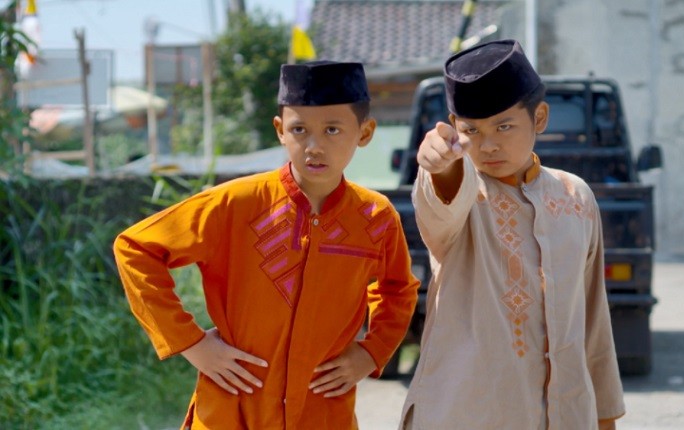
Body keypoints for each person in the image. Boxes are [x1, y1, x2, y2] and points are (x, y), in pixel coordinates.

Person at [113, 60, 419, 429]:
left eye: (333, 129)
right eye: (299, 129)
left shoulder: (375, 216)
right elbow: (135, 249)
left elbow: (397, 290)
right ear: (280, 131)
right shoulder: (237, 204)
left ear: (365, 132)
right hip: (232, 407)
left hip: (322, 411)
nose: (314, 146)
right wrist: (192, 344)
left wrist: (372, 352)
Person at [400, 40, 625, 429]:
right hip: (466, 414)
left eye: (504, 126)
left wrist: (604, 416)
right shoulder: (464, 196)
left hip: (568, 415)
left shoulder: (576, 197)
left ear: (539, 118)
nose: (487, 145)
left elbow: (592, 319)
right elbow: (439, 203)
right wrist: (440, 166)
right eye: (471, 130)